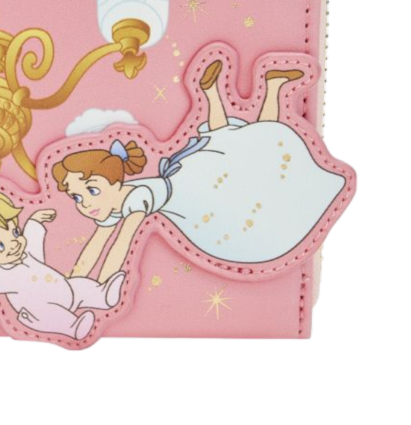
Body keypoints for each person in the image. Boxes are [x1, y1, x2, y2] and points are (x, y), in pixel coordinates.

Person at [53, 60, 348, 281]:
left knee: (257, 149)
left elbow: (122, 245)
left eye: (92, 190)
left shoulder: (135, 200)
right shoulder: (111, 205)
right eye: (77, 197)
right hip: (190, 183)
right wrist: (73, 283)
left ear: (115, 183)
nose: (85, 203)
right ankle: (243, 89)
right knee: (235, 143)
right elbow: (94, 247)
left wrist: (103, 287)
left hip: (197, 193)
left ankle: (253, 89)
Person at [0, 191, 126, 341]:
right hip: (39, 310)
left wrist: (34, 221)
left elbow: (32, 240)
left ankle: (102, 296)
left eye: (15, 232)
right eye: (0, 245)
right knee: (51, 314)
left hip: (65, 291)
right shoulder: (1, 276)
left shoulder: (26, 255)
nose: (14, 243)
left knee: (79, 285)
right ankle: (73, 327)